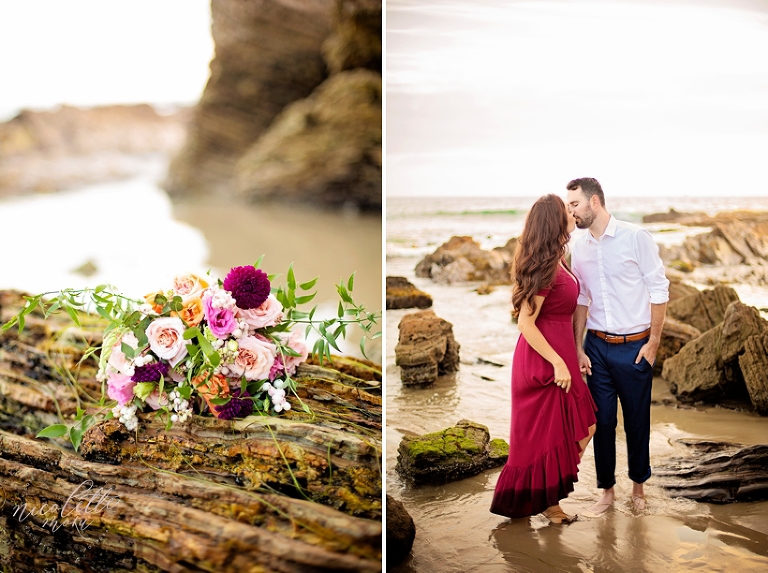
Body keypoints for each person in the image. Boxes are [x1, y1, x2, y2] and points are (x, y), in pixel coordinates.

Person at [490, 194, 597, 525]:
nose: (572, 212)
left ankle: (547, 499)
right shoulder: (546, 265)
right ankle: (547, 505)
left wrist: (575, 352)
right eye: (567, 210)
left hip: (561, 354)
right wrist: (558, 363)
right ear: (555, 220)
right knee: (544, 438)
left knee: (584, 426)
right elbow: (525, 322)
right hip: (542, 360)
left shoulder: (557, 257)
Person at [566, 177, 669, 514]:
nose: (572, 212)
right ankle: (607, 492)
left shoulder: (635, 237)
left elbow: (658, 288)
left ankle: (638, 489)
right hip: (596, 346)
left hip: (635, 346)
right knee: (604, 422)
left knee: (637, 421)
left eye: (575, 204)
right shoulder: (578, 247)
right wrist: (579, 347)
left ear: (594, 202)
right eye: (569, 206)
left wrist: (653, 342)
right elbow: (582, 297)